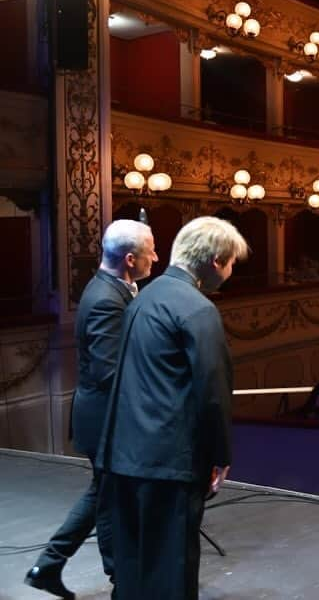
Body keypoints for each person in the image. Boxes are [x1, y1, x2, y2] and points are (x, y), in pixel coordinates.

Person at [97, 216, 249, 600]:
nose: (231, 273)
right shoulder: (198, 310)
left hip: (125, 454)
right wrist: (220, 454)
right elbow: (212, 392)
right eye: (231, 264)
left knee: (134, 564)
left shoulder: (141, 297)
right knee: (172, 570)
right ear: (215, 261)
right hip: (171, 462)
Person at [24, 220, 157, 599]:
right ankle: (120, 580)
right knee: (107, 497)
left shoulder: (112, 289)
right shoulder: (105, 300)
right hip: (106, 420)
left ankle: (48, 566)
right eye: (151, 251)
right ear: (131, 259)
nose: (157, 257)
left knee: (102, 493)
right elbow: (109, 372)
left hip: (105, 417)